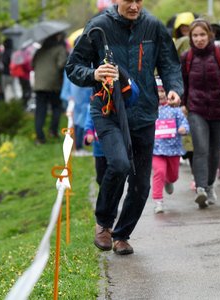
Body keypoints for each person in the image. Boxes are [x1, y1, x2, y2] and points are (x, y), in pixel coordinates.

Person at [65, 0, 183, 255]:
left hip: (144, 111)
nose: (134, 6)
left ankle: (122, 235)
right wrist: (94, 74)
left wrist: (174, 88)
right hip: (108, 110)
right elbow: (73, 68)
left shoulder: (152, 26)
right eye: (129, 0)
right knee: (119, 164)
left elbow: (169, 63)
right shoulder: (98, 27)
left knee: (141, 184)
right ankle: (104, 224)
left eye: (139, 0)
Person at [181, 19, 220, 208]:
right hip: (197, 110)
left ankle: (210, 185)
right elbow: (184, 83)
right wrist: (182, 102)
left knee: (214, 151)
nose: (199, 39)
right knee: (201, 148)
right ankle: (201, 189)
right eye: (195, 35)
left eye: (202, 35)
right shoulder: (187, 57)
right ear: (191, 38)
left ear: (209, 35)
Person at [152, 78, 189, 213]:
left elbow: (184, 122)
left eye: (163, 91)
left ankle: (168, 181)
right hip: (156, 149)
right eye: (158, 92)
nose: (161, 94)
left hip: (173, 149)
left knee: (173, 176)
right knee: (159, 171)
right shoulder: (151, 110)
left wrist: (184, 129)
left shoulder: (175, 110)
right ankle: (158, 201)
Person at [32, 33, 68, 144]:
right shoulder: (59, 49)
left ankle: (39, 136)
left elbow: (32, 64)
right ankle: (53, 131)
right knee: (56, 107)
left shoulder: (39, 50)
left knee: (40, 110)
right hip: (53, 84)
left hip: (39, 85)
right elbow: (62, 64)